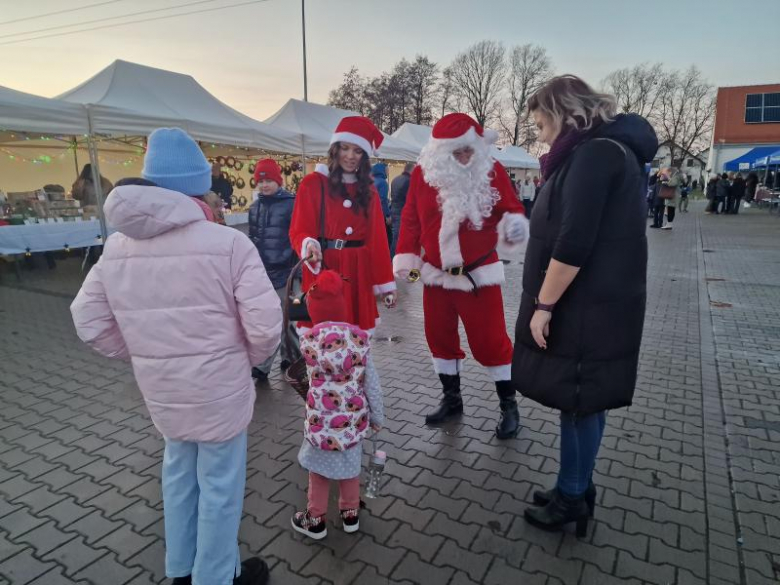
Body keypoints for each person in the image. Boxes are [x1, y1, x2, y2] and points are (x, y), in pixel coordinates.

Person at [70, 128, 282, 585]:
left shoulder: (116, 248)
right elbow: (266, 327)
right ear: (197, 185)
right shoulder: (228, 244)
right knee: (220, 488)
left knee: (179, 477)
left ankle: (182, 569)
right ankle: (215, 577)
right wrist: (247, 363)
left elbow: (87, 320)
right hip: (220, 392)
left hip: (164, 393)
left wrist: (144, 353)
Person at [511, 75, 657, 536]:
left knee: (577, 401)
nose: (541, 133)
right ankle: (574, 485)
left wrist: (544, 305)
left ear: (562, 113)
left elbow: (575, 241)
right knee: (583, 402)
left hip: (585, 305)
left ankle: (572, 496)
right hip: (597, 301)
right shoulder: (606, 151)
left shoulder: (594, 154)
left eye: (541, 123)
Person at [394, 113, 528, 439]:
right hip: (436, 277)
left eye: (469, 150)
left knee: (490, 342)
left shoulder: (491, 172)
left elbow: (512, 208)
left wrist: (513, 225)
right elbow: (410, 218)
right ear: (441, 152)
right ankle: (452, 400)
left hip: (477, 277)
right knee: (439, 339)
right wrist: (408, 259)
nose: (465, 158)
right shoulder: (423, 177)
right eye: (457, 152)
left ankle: (508, 405)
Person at [291, 270, 384, 539]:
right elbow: (372, 386)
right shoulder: (359, 345)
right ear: (343, 309)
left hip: (320, 427)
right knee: (350, 471)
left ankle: (315, 519)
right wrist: (377, 418)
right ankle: (350, 514)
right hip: (351, 426)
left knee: (318, 474)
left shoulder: (309, 346)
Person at [289, 116, 396, 333]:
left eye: (357, 151)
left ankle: (362, 366)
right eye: (345, 148)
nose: (350, 156)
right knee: (322, 336)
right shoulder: (313, 184)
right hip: (324, 268)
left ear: (364, 155)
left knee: (357, 337)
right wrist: (308, 244)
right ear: (334, 149)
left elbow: (377, 240)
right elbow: (298, 229)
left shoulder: (369, 190)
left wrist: (385, 284)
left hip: (358, 272)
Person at [248, 159, 301, 380]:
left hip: (286, 271)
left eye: (269, 180)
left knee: (284, 319)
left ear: (278, 180)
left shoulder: (291, 204)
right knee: (274, 319)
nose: (264, 185)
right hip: (263, 271)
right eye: (261, 181)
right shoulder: (255, 207)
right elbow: (253, 238)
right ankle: (292, 358)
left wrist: (294, 266)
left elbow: (297, 236)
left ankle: (265, 364)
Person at [390, 162, 414, 256]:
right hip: (402, 212)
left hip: (394, 210)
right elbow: (410, 199)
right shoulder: (408, 181)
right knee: (399, 238)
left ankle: (392, 258)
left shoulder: (395, 179)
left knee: (395, 237)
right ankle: (394, 259)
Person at [371, 162, 392, 245]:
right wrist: (387, 215)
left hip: (369, 214)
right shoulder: (383, 182)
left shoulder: (370, 180)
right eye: (387, 170)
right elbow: (382, 200)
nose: (388, 172)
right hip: (378, 214)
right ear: (382, 170)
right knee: (386, 237)